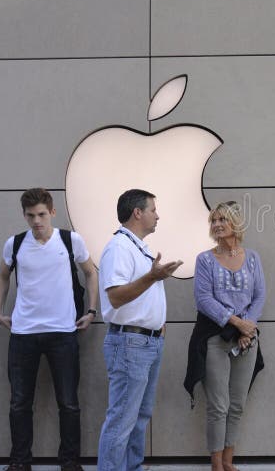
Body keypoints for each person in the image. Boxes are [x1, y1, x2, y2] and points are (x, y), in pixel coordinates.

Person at [0, 188, 99, 471]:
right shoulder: (14, 244)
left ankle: (69, 463)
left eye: (41, 214)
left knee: (69, 403)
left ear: (52, 212)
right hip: (23, 334)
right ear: (24, 215)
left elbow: (91, 272)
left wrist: (91, 311)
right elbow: (3, 277)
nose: (36, 221)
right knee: (19, 403)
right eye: (30, 216)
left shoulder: (70, 240)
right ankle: (19, 462)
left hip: (63, 333)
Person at [97, 189, 183, 471]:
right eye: (153, 209)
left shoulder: (137, 247)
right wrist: (152, 276)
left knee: (139, 417)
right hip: (130, 343)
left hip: (147, 343)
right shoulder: (119, 247)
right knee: (122, 419)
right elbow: (116, 296)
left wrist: (158, 327)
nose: (157, 215)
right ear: (137, 212)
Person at [186, 201, 266, 471]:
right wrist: (237, 324)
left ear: (236, 223)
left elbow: (259, 296)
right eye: (213, 220)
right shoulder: (205, 260)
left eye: (222, 219)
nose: (217, 225)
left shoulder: (252, 258)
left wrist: (248, 327)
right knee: (218, 406)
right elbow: (204, 300)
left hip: (246, 341)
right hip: (215, 339)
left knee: (237, 404)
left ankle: (229, 461)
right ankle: (216, 464)